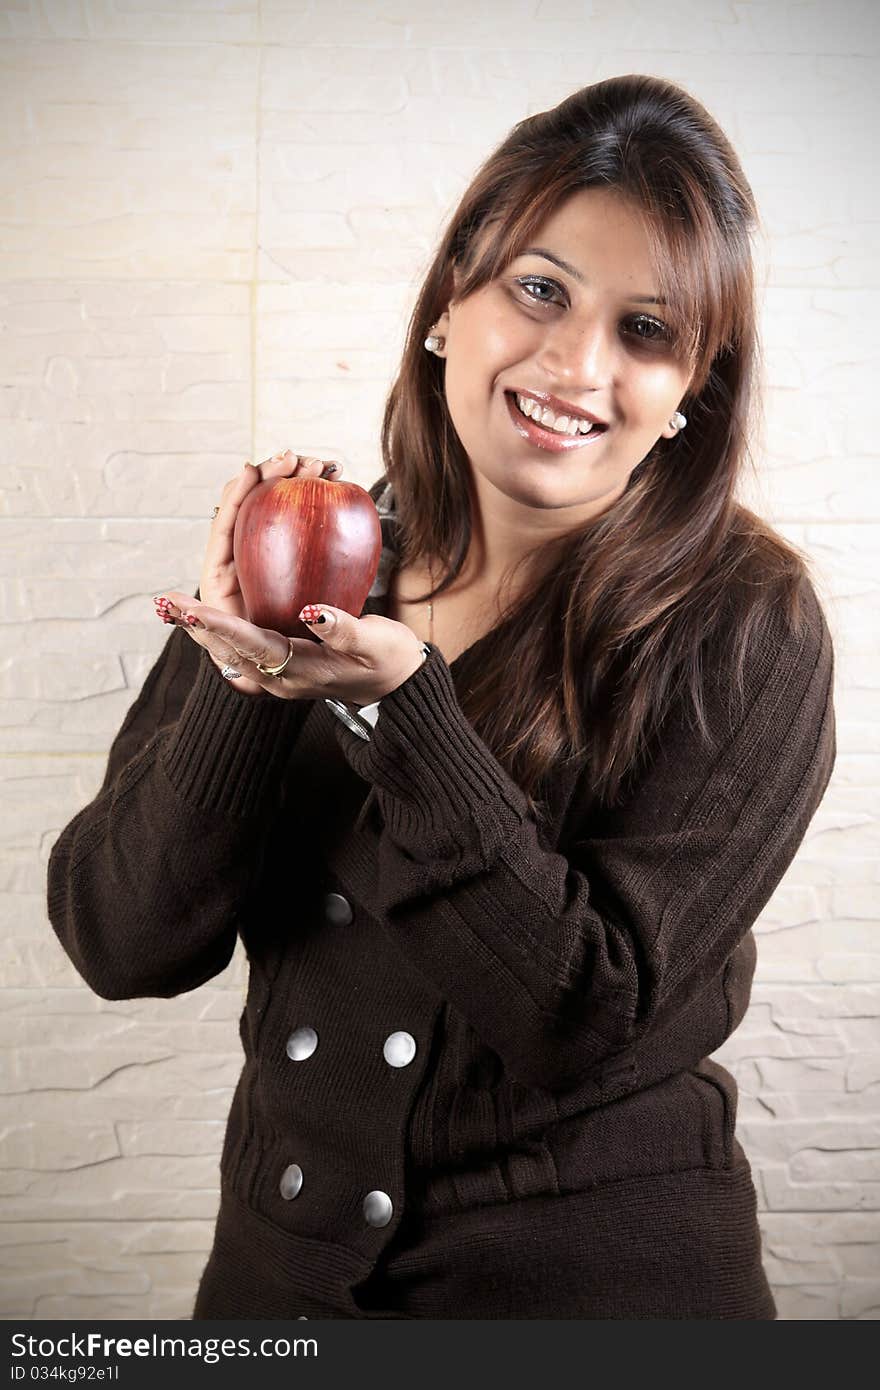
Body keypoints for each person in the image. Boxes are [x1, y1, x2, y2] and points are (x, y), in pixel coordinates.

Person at [46, 74, 836, 1320]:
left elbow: (583, 1016)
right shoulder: (318, 556)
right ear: (449, 301)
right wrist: (245, 680)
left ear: (693, 386)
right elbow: (118, 941)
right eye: (539, 289)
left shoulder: (744, 625)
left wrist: (404, 713)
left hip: (591, 1297)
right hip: (276, 1289)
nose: (574, 363)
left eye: (644, 329)